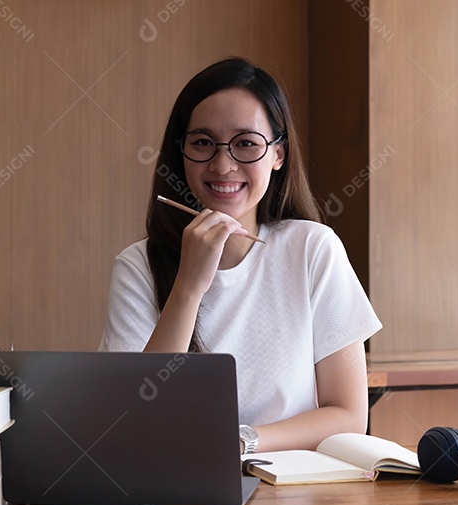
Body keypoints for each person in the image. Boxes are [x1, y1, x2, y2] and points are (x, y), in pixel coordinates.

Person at [99, 57, 381, 453]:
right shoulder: (138, 266)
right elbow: (135, 417)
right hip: (179, 493)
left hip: (294, 493)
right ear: (181, 153)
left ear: (278, 155)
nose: (223, 164)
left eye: (246, 143)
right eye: (202, 143)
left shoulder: (313, 249)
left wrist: (238, 441)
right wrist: (188, 288)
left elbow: (349, 415)